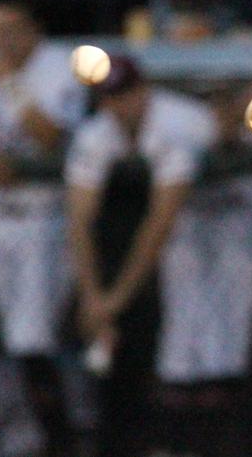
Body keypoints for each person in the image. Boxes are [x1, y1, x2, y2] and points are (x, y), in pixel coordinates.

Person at [63, 56, 215, 457]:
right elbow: (79, 221)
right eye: (110, 97)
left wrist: (114, 301)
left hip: (222, 220)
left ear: (144, 90)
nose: (119, 105)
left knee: (199, 348)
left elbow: (159, 224)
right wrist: (93, 297)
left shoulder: (178, 123)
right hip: (160, 232)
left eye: (126, 94)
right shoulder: (97, 133)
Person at [0, 0, 87, 453]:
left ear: (35, 28)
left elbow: (51, 136)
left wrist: (13, 86)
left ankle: (60, 439)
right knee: (11, 333)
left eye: (11, 28)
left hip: (45, 219)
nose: (0, 40)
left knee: (32, 333)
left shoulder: (60, 66)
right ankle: (43, 430)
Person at [151, 82, 252, 457]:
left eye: (229, 99)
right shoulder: (181, 129)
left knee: (228, 348)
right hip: (192, 245)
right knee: (182, 351)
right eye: (212, 101)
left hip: (240, 245)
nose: (222, 110)